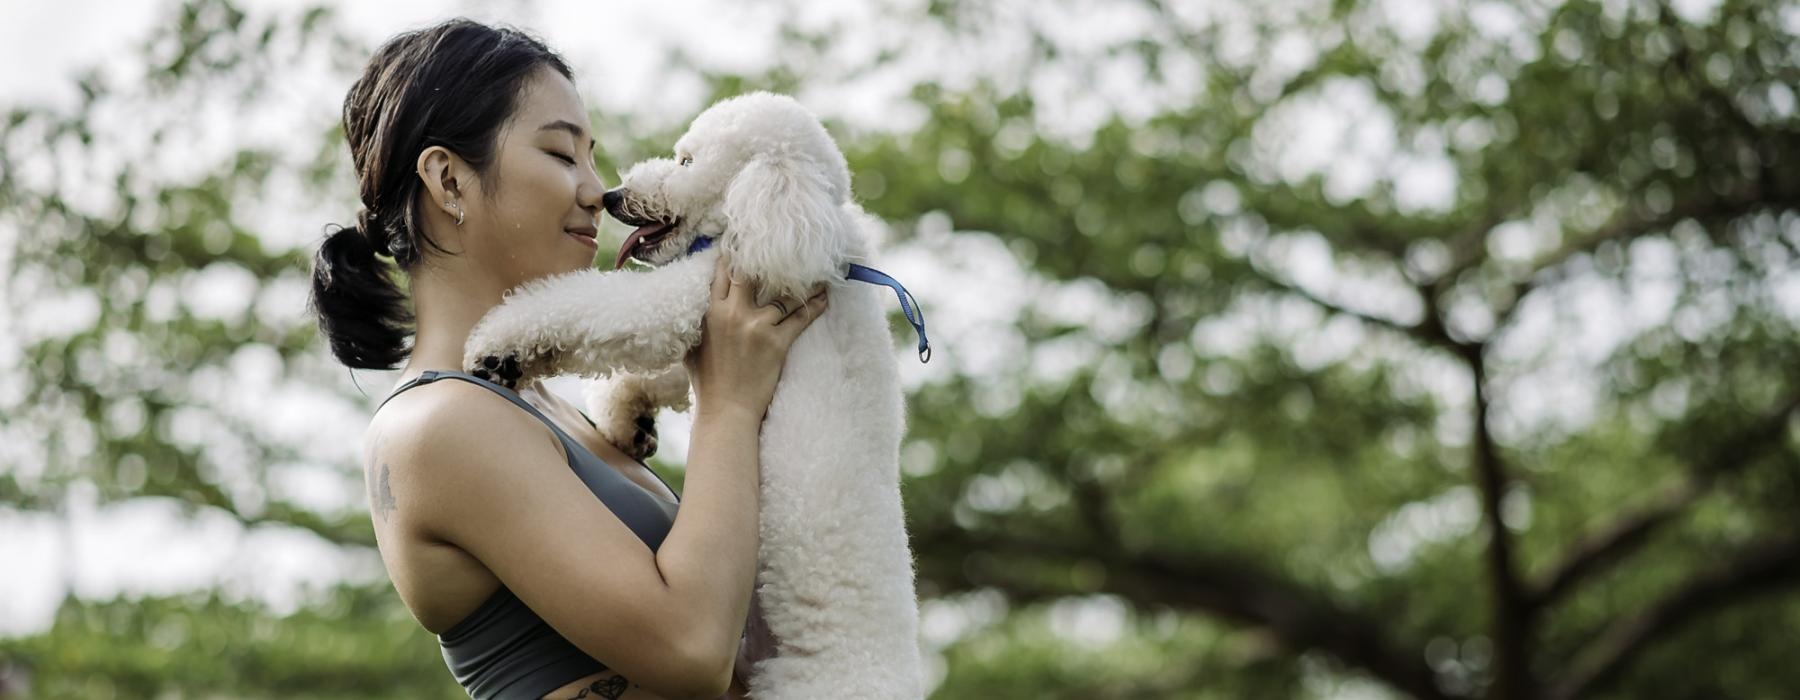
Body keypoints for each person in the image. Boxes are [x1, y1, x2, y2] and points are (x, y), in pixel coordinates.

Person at [305, 18, 825, 700]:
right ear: (449, 179)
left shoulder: (542, 407)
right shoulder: (438, 425)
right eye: (560, 154)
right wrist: (726, 403)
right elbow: (693, 649)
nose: (596, 190)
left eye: (592, 157)